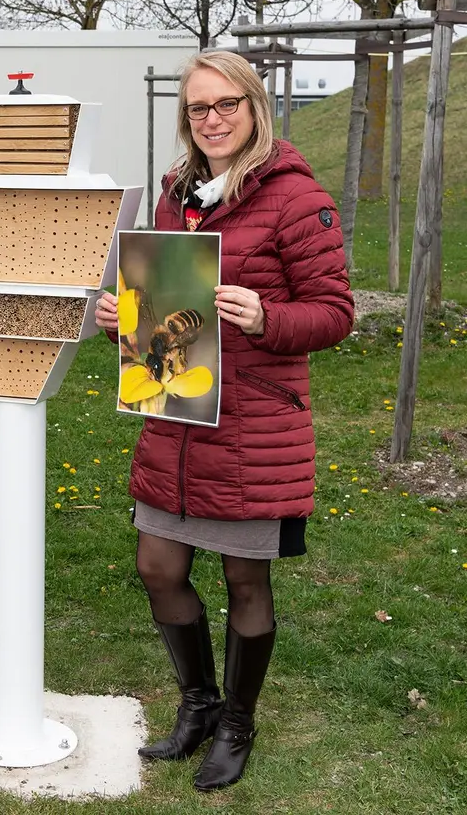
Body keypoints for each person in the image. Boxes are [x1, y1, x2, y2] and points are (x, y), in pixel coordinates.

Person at [96, 50, 353, 793]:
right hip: (175, 411)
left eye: (226, 105)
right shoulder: (178, 195)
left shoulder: (296, 198)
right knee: (158, 566)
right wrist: (125, 319)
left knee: (246, 580)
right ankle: (199, 704)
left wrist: (270, 316)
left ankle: (238, 723)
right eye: (198, 109)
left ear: (255, 106)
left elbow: (335, 312)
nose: (212, 120)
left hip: (251, 429)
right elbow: (167, 300)